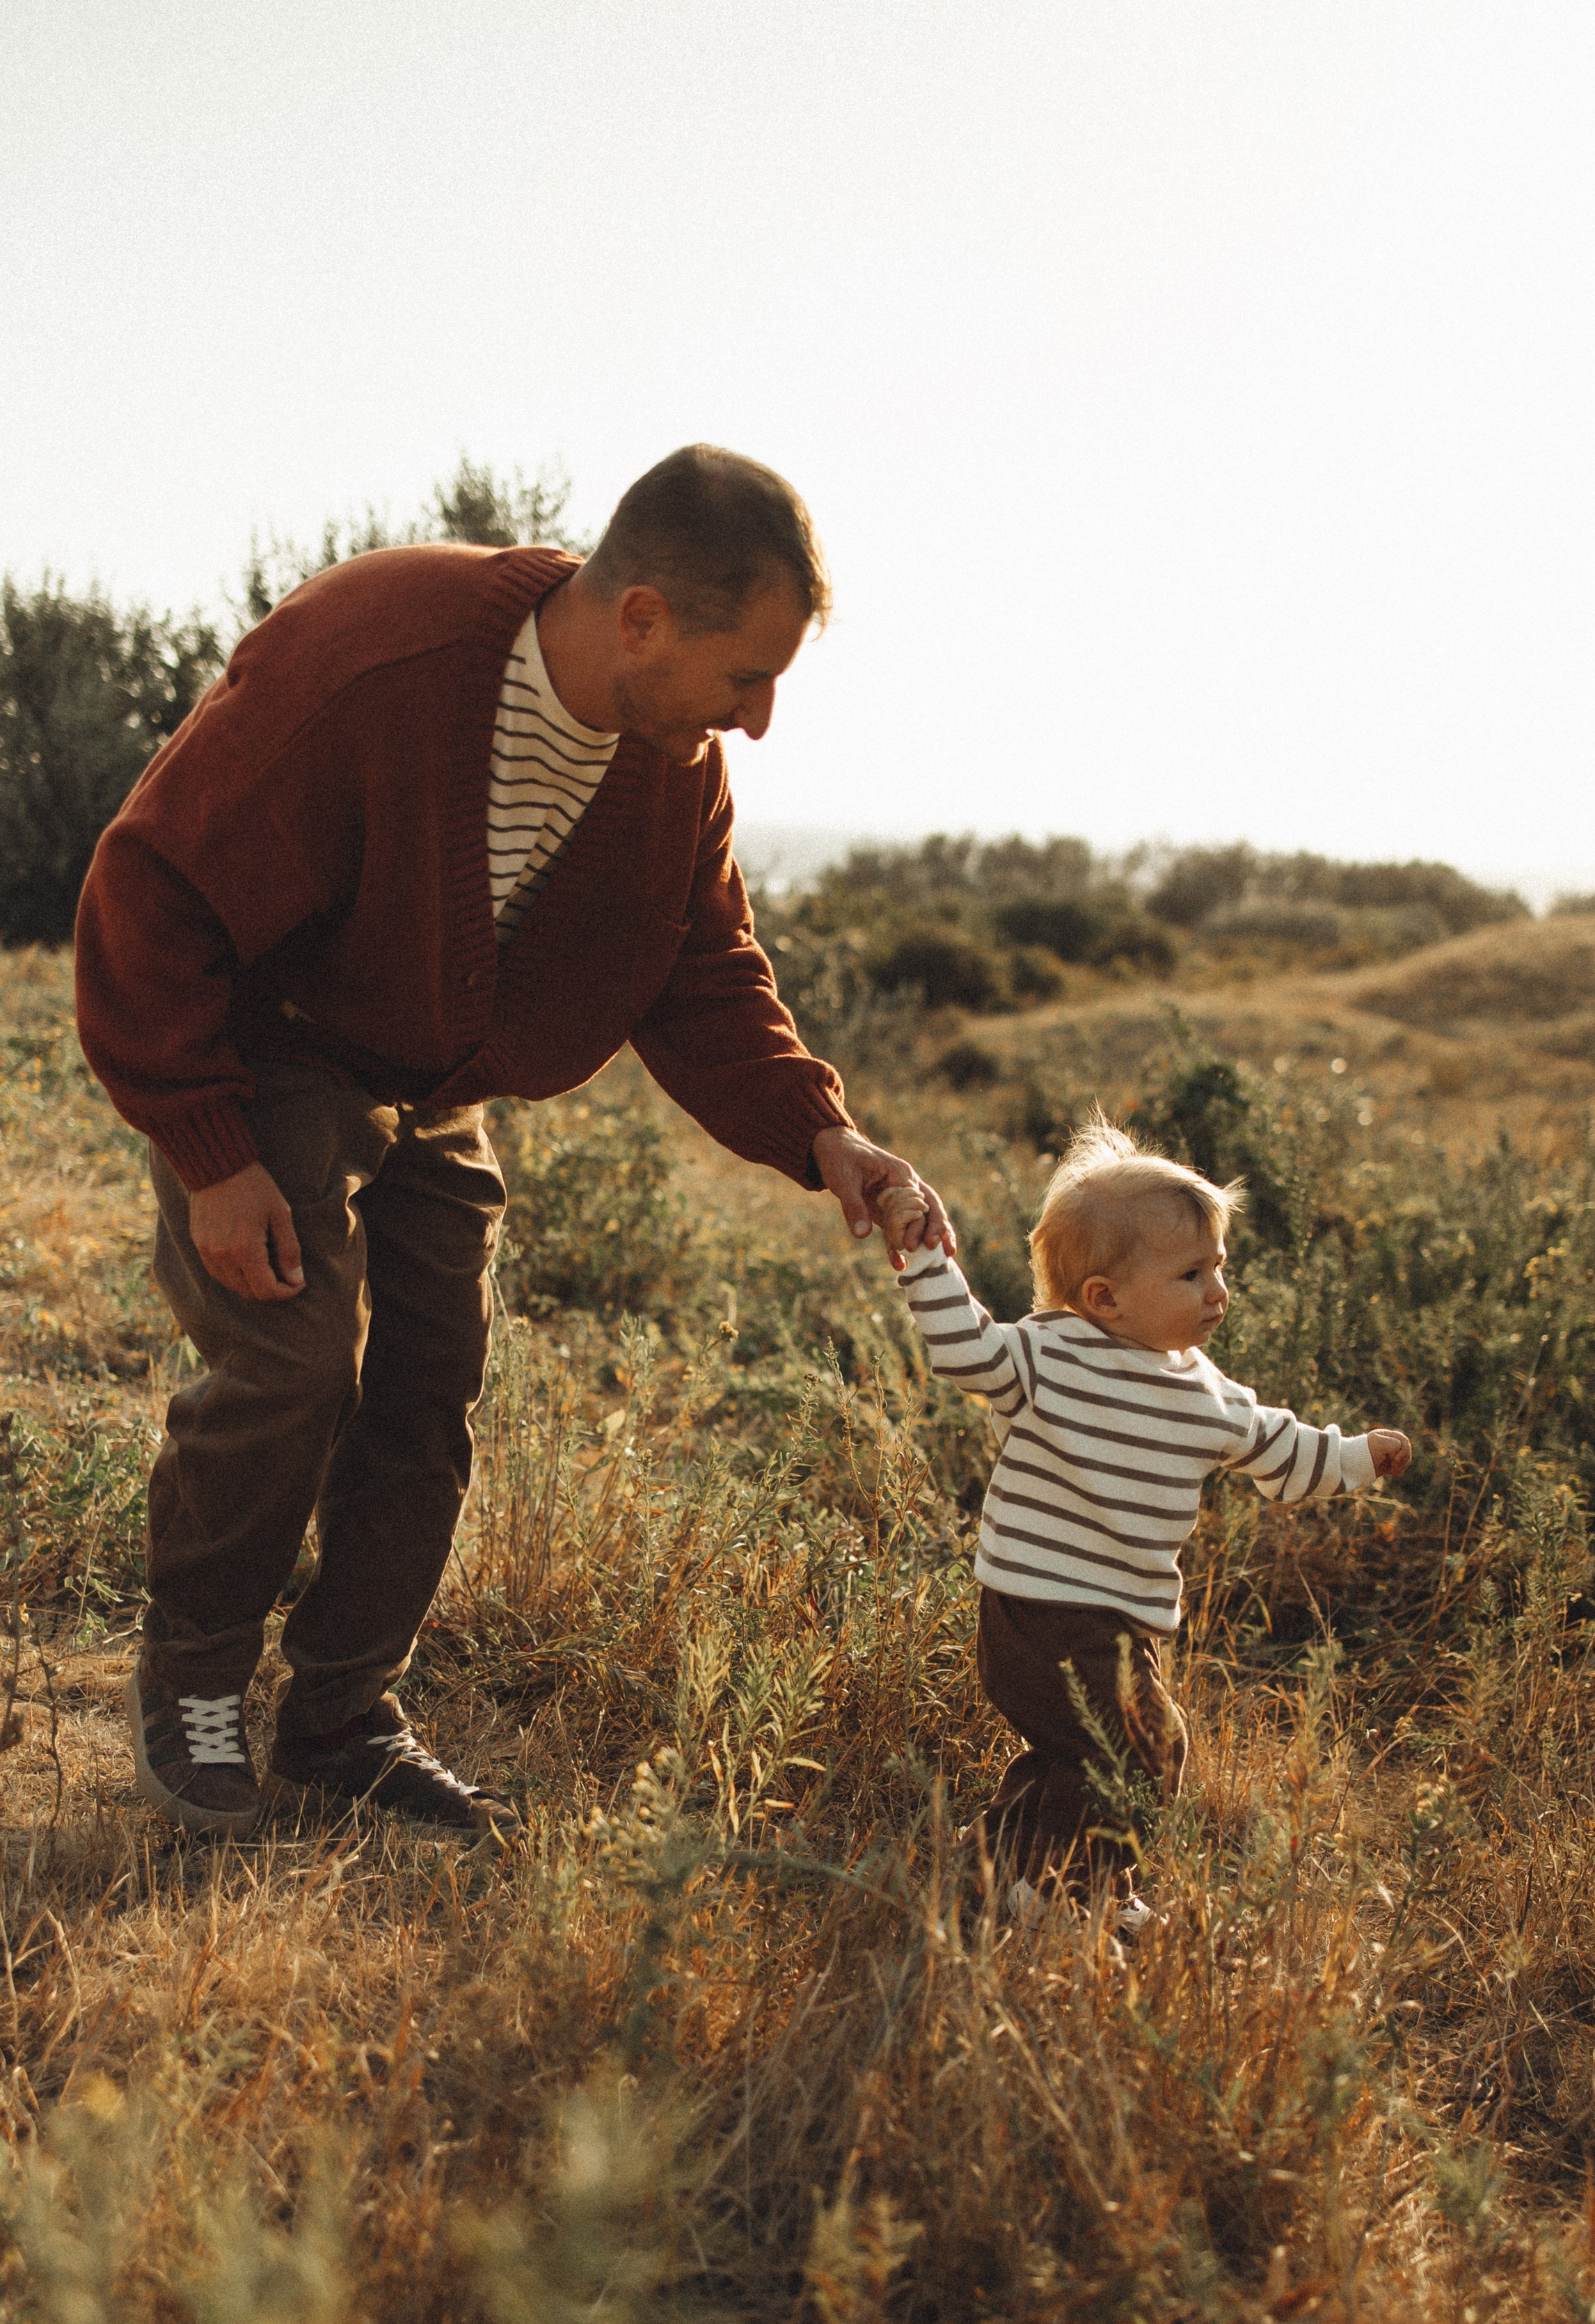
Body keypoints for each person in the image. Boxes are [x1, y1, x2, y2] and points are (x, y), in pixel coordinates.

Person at [76, 444, 951, 1840]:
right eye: (747, 675)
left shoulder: (675, 765)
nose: (762, 718)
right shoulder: (374, 656)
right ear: (642, 618)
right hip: (279, 1048)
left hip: (440, 1076)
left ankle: (341, 1718)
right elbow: (152, 884)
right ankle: (191, 1689)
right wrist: (209, 1152)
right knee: (294, 1362)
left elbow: (702, 966)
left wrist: (821, 1134)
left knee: (430, 1382)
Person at [875, 1118, 1410, 1911]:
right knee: (1141, 1753)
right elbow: (965, 1348)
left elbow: (1285, 1454)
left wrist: (1360, 1456)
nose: (1217, 1291)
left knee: (1076, 1752)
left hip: (1121, 1621)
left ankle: (1003, 1861)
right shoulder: (1049, 1355)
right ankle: (1065, 1897)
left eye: (1219, 1268)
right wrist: (924, 1255)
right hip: (1039, 1604)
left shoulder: (1206, 1393)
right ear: (1104, 1298)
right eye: (1191, 1274)